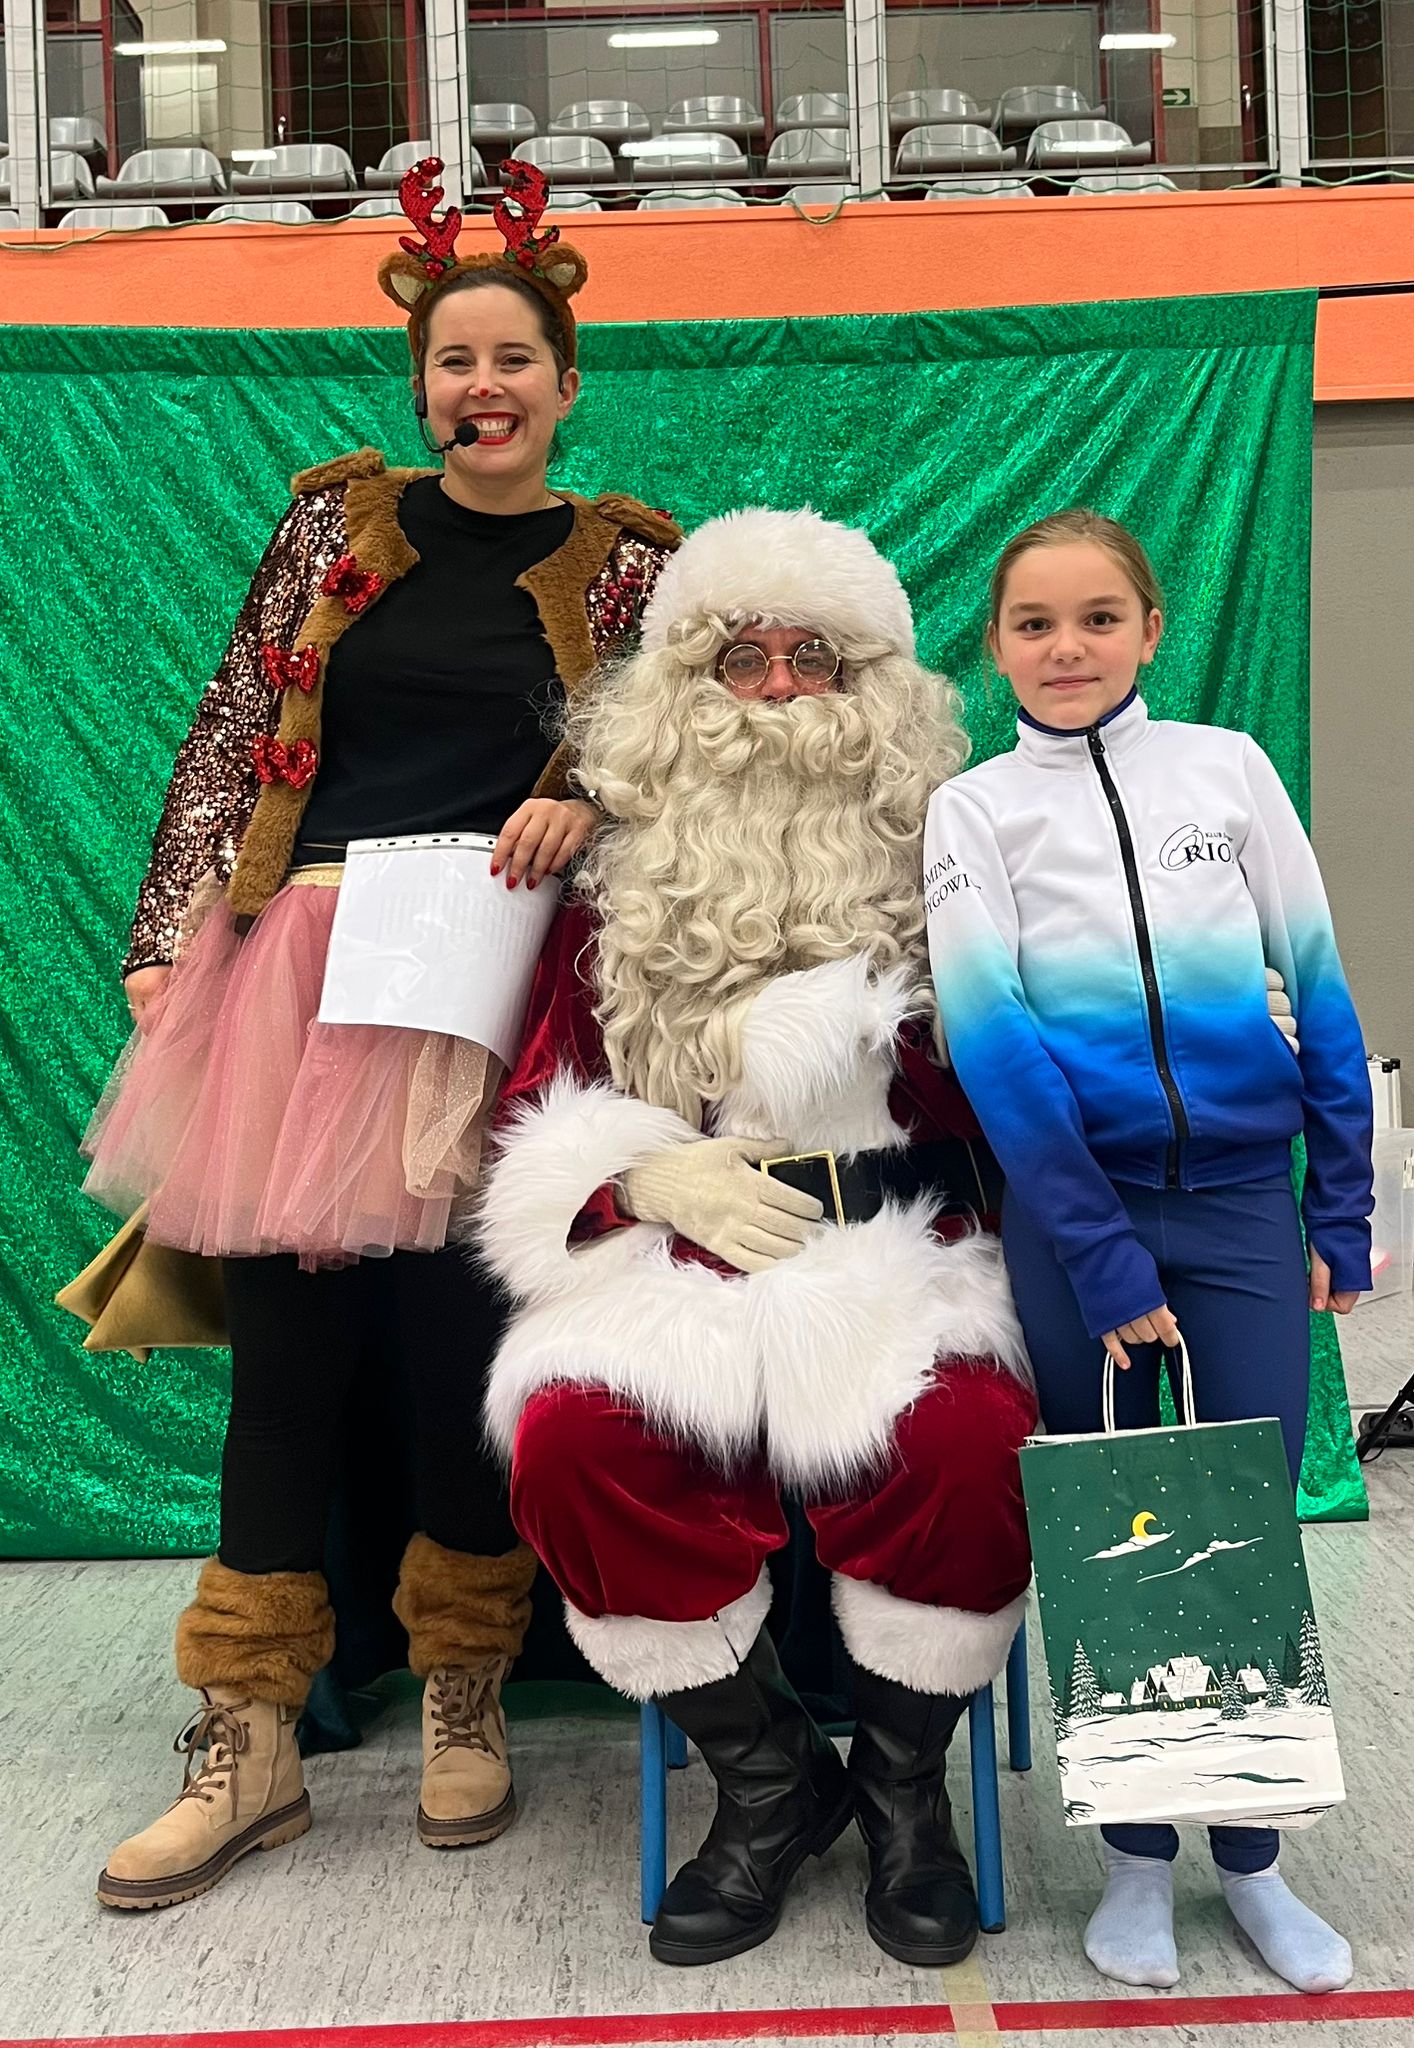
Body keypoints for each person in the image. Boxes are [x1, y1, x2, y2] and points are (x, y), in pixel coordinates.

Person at [80, 157, 679, 1910]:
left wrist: (590, 799)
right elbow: (232, 722)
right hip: (305, 976)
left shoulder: (634, 567)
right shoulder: (334, 527)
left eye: (512, 360)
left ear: (566, 382)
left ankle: (463, 1686)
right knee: (286, 1365)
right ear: (420, 386)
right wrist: (166, 935)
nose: (481, 386)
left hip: (494, 989)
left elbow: (676, 763)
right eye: (452, 362)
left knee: (455, 1354)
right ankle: (248, 1729)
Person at [473, 506, 1038, 1969]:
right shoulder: (615, 881)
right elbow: (537, 1107)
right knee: (575, 1442)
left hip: (898, 1246)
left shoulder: (955, 859)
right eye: (742, 659)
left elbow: (1029, 1077)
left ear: (878, 690)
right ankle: (770, 1780)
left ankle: (903, 1787)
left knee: (969, 1442)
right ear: (685, 686)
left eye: (814, 660)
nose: (778, 691)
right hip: (676, 1250)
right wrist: (645, 1183)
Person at [924, 508, 1372, 1996]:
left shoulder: (1227, 769)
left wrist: (1340, 1202)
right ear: (996, 646)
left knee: (1243, 1524)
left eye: (1097, 618)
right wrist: (1104, 1259)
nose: (1067, 648)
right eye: (1034, 624)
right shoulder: (974, 811)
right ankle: (1130, 1858)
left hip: (1242, 1207)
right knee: (1118, 1531)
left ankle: (1250, 1860)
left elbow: (1316, 976)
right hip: (1080, 1226)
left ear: (1149, 629)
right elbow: (993, 1046)